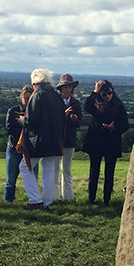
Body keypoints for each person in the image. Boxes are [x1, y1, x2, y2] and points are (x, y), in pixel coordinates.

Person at [17, 68, 66, 209]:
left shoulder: (37, 96)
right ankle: (47, 202)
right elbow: (63, 118)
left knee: (25, 167)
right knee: (49, 171)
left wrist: (21, 120)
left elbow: (32, 120)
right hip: (55, 141)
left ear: (35, 83)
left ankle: (35, 200)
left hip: (38, 141)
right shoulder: (57, 96)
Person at [83, 80, 130, 205]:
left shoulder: (118, 104)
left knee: (109, 173)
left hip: (111, 142)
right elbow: (86, 107)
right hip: (96, 141)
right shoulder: (95, 103)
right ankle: (91, 199)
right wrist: (95, 92)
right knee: (94, 172)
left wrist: (114, 127)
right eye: (104, 94)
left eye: (110, 93)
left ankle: (107, 200)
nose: (108, 96)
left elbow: (125, 125)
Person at [4, 86, 37, 202]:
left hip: (31, 149)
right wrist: (24, 124)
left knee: (34, 177)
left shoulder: (35, 112)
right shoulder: (12, 111)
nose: (27, 101)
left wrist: (21, 122)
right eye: (26, 98)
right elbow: (9, 129)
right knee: (11, 179)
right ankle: (8, 202)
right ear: (21, 97)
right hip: (14, 148)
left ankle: (33, 200)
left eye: (30, 98)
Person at [54, 73, 82, 202]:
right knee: (54, 169)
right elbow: (52, 121)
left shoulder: (76, 104)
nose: (67, 89)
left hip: (69, 141)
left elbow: (79, 123)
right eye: (65, 87)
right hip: (56, 140)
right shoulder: (56, 102)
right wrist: (63, 115)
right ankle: (54, 197)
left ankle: (68, 198)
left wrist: (75, 119)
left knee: (66, 169)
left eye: (69, 87)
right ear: (61, 88)